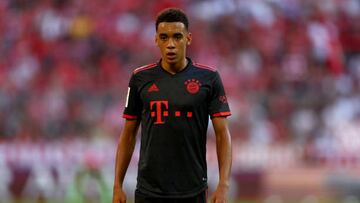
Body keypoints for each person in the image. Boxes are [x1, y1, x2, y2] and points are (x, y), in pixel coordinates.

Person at [112, 8, 232, 203]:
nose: (171, 45)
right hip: (149, 190)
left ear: (188, 38)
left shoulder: (209, 78)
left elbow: (222, 135)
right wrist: (117, 185)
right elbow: (128, 134)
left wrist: (223, 184)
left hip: (192, 189)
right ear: (156, 40)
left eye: (177, 37)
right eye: (164, 37)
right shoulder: (140, 78)